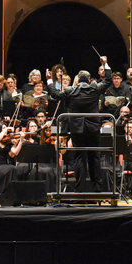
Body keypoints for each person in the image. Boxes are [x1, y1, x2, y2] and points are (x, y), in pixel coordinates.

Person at [48, 57, 110, 191]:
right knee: (95, 157)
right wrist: (104, 64)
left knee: (79, 158)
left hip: (77, 129)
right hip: (93, 129)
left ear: (78, 80)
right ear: (88, 80)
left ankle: (80, 189)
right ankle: (97, 189)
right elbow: (109, 80)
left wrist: (49, 80)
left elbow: (55, 95)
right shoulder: (94, 89)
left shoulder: (71, 91)